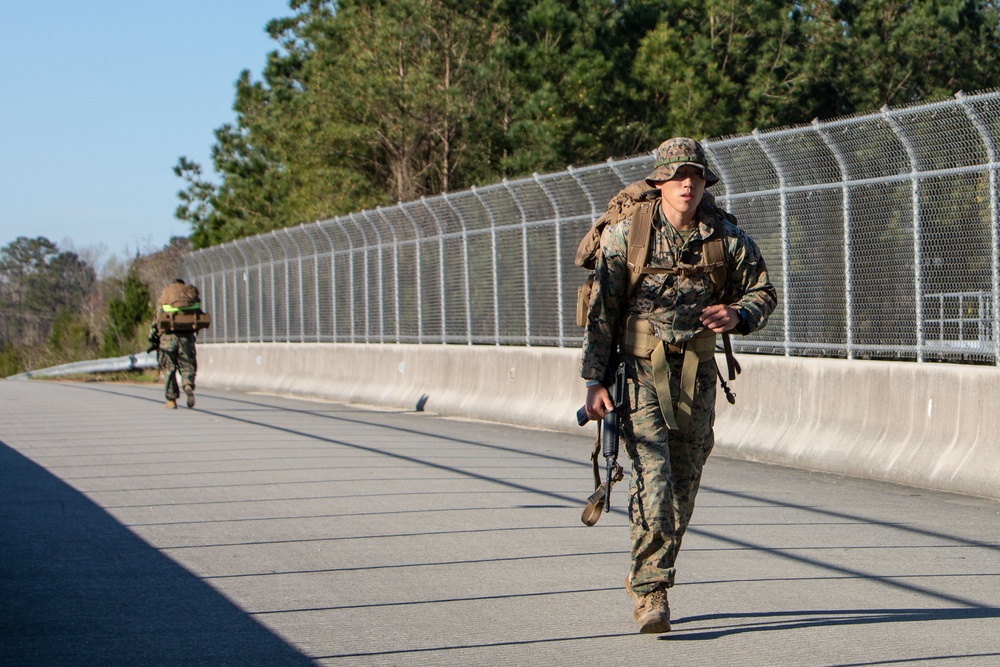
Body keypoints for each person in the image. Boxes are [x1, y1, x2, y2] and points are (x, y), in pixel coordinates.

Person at [580, 137, 777, 633]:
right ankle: (652, 591)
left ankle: (649, 566)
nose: (687, 184)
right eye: (677, 176)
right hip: (639, 371)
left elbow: (763, 292)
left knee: (685, 480)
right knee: (656, 475)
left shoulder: (725, 238)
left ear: (704, 182)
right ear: (660, 183)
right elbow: (602, 314)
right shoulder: (627, 237)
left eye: (695, 176)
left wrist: (738, 313)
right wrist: (594, 381)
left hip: (698, 371)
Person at [149, 278, 200, 409]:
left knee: (169, 369)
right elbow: (198, 316)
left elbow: (157, 320)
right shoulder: (190, 294)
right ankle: (188, 384)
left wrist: (152, 337)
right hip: (186, 338)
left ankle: (172, 400)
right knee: (187, 364)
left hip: (167, 339)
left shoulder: (167, 294)